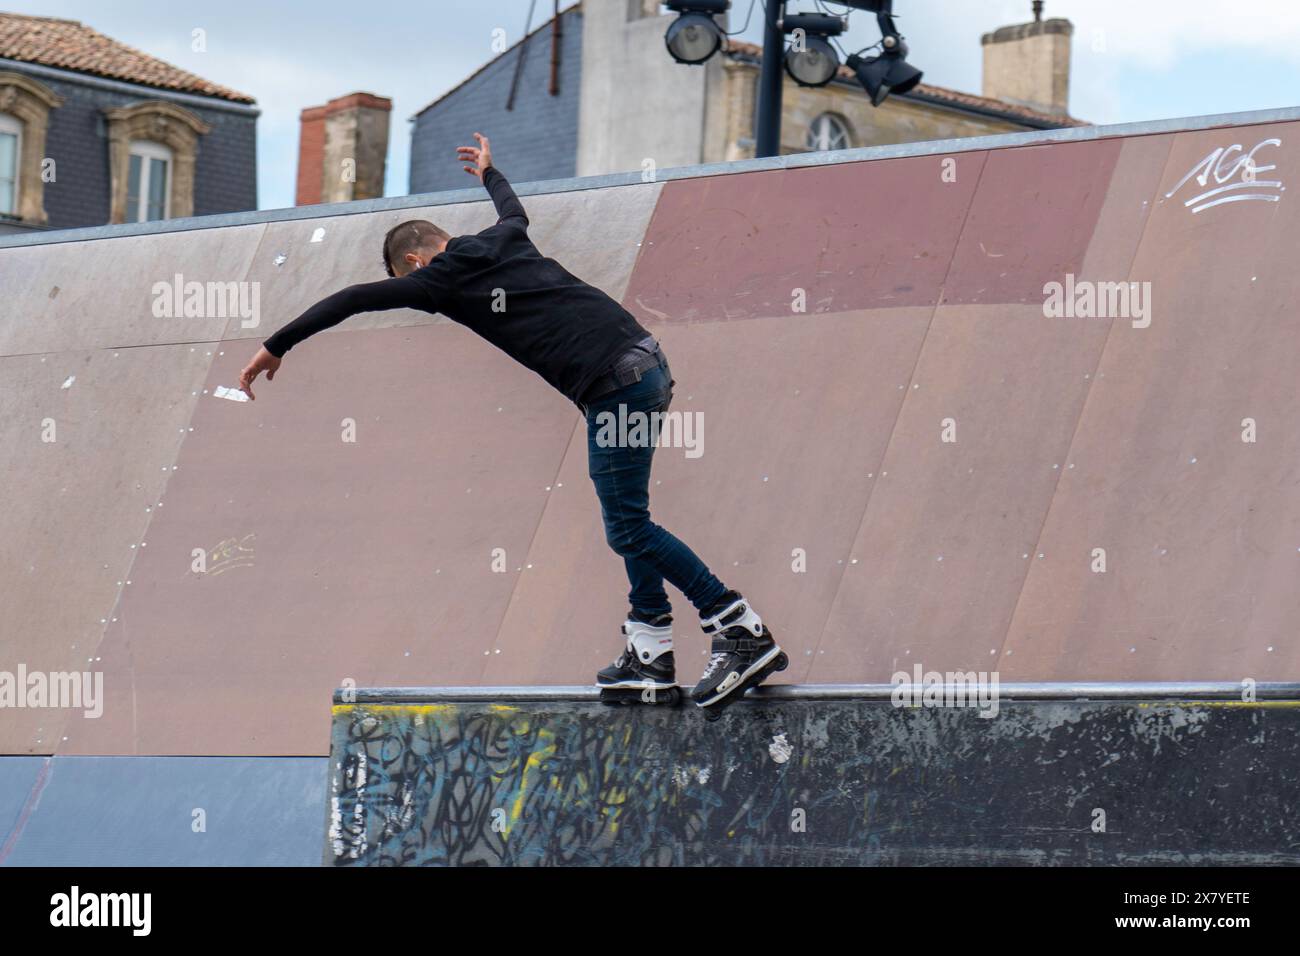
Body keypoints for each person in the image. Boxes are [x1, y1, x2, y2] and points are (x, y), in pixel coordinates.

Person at [239, 133, 782, 712]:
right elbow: (513, 208)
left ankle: (738, 628)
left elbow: (351, 298)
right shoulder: (504, 236)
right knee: (629, 516)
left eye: (408, 273)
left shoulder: (434, 279)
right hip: (646, 368)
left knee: (626, 529)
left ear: (416, 262)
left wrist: (276, 345)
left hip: (614, 385)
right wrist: (491, 173)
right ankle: (650, 649)